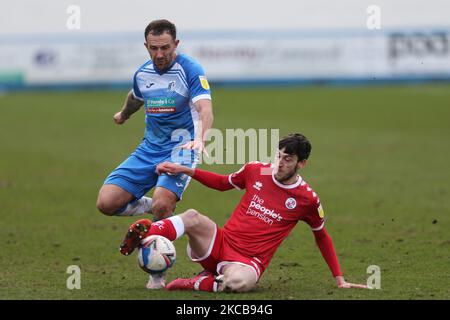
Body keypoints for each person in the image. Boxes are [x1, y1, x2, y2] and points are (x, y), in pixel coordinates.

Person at [119, 133, 370, 292]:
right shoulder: (256, 170)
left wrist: (339, 278)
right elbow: (223, 183)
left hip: (248, 262)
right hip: (218, 243)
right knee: (193, 216)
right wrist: (184, 170)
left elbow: (321, 236)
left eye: (288, 159)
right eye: (279, 155)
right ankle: (144, 233)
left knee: (240, 283)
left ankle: (195, 282)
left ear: (301, 164)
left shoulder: (307, 199)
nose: (279, 163)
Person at [96, 19, 213, 289]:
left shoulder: (190, 69)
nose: (159, 54)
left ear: (176, 44)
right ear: (146, 47)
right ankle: (151, 206)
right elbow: (136, 96)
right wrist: (123, 114)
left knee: (163, 205)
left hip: (181, 147)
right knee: (107, 202)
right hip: (149, 148)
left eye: (165, 48)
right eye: (153, 48)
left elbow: (205, 108)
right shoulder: (143, 73)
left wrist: (200, 139)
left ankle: (156, 271)